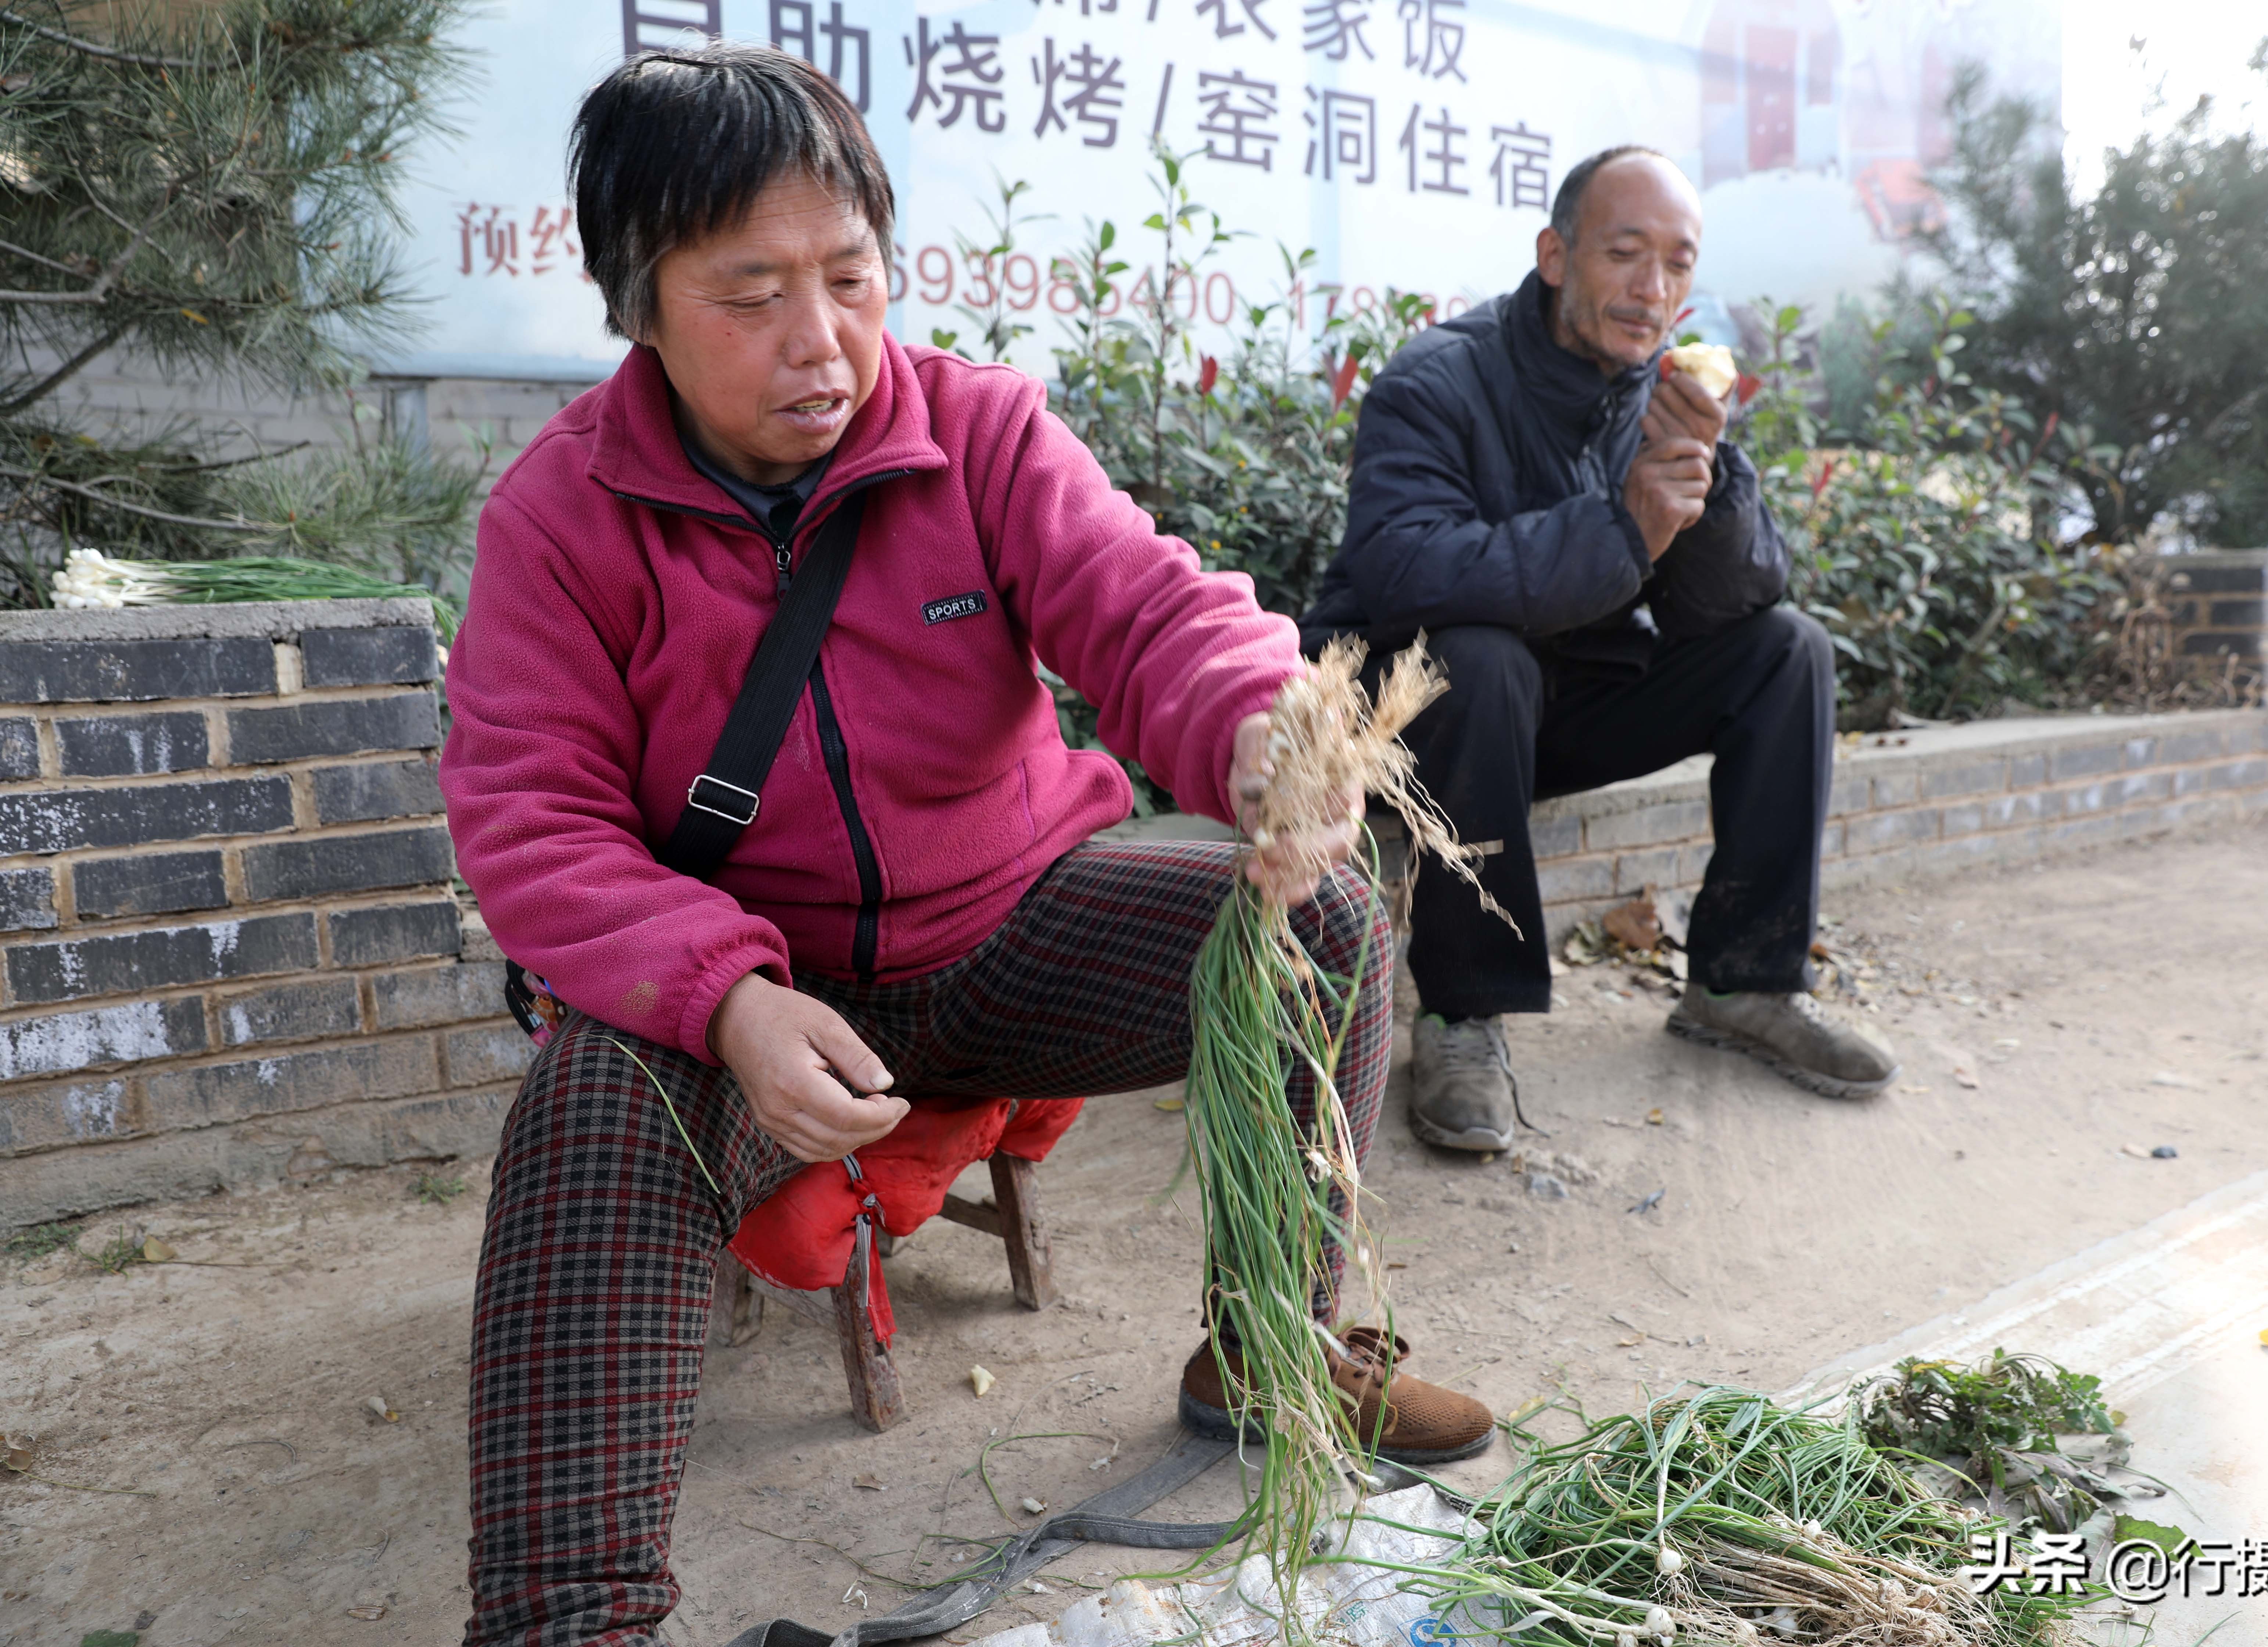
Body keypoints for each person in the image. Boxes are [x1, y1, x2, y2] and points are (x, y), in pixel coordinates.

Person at [439, 42, 1491, 1645]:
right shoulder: (560, 520)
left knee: (1325, 925)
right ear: (636, 305)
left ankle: (1272, 1348)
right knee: (590, 1103)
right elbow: (533, 823)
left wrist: (1256, 735)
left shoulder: (977, 434)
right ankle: (567, 1618)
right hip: (764, 994)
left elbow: (1152, 611)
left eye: (850, 277)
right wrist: (727, 999)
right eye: (751, 295)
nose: (820, 340)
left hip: (1009, 937)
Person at [1300, 145, 1899, 1153]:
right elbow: (1404, 572)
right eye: (1626, 254)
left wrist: (1706, 481)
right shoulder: (1438, 381)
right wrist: (1623, 529)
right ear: (1555, 257)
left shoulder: (1656, 397)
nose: (1652, 288)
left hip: (1558, 701)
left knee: (1788, 652)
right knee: (1480, 657)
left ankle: (1745, 983)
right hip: (1413, 713)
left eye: (1677, 264)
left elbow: (1736, 602)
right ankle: (1462, 1015)